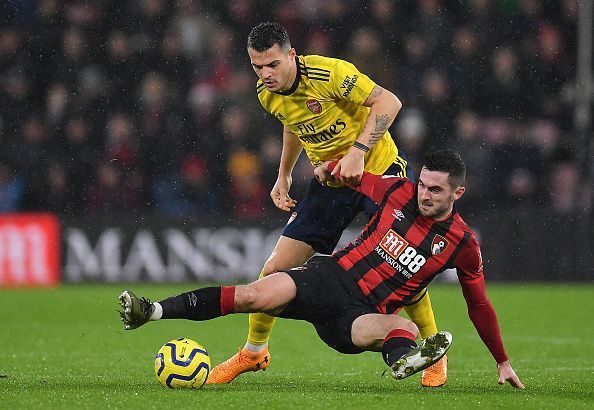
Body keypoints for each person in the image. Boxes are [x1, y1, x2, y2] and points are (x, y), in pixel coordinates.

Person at [119, 150, 524, 388]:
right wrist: (329, 169)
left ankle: (404, 359)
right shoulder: (396, 190)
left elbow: (479, 306)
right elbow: (350, 177)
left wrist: (502, 361)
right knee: (253, 294)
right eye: (422, 184)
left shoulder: (462, 243)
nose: (424, 195)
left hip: (360, 318)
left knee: (403, 329)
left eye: (436, 190)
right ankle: (151, 311)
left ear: (458, 193)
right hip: (328, 278)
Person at [209, 21, 447, 387]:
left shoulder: (328, 72)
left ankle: (433, 352)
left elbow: (389, 101)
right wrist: (284, 174)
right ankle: (254, 352)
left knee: (402, 264)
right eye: (257, 66)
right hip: (330, 183)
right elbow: (293, 121)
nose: (265, 74)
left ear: (291, 54)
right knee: (274, 268)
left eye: (272, 64)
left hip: (380, 173)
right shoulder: (266, 93)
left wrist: (358, 152)